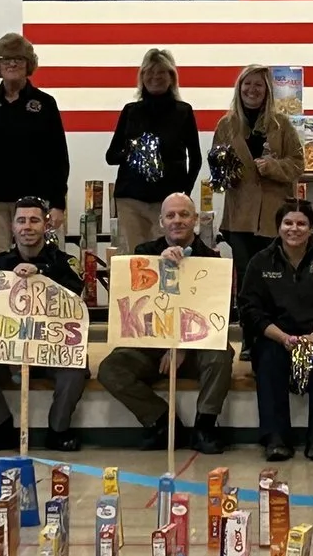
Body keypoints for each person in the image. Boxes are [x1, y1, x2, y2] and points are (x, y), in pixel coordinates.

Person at [95, 191, 231, 454]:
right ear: (161, 222)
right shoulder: (143, 254)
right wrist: (159, 264)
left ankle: (205, 425)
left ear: (195, 220)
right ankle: (163, 423)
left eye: (183, 214)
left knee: (222, 353)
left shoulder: (212, 260)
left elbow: (213, 316)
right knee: (111, 368)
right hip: (150, 345)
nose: (177, 220)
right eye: (170, 215)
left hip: (195, 348)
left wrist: (180, 346)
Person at [0, 197, 91, 452]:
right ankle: (0, 428)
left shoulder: (65, 263)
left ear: (46, 225)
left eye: (34, 220)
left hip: (52, 351)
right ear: (12, 226)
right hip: (7, 352)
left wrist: (41, 276)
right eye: (21, 220)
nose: (27, 226)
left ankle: (58, 430)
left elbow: (78, 302)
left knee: (77, 368)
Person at [239, 202, 313, 464]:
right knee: (267, 359)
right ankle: (276, 439)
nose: (294, 229)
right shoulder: (260, 262)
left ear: (311, 228)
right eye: (288, 223)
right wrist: (282, 338)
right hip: (277, 338)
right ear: (278, 227)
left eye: (301, 223)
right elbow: (249, 310)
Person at [0, 33, 70, 261]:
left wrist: (58, 203)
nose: (12, 63)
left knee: (41, 264)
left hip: (36, 203)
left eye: (18, 58)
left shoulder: (45, 104)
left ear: (29, 63)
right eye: (5, 58)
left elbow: (59, 157)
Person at [210, 65, 305, 277]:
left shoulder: (282, 125)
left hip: (274, 217)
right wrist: (226, 171)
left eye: (258, 84)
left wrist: (274, 167)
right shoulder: (226, 125)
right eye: (248, 83)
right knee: (246, 279)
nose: (252, 89)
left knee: (275, 277)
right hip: (239, 219)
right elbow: (217, 172)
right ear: (239, 87)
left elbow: (298, 163)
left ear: (267, 90)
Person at [102, 48, 199, 251]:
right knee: (134, 257)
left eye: (161, 72)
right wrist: (134, 153)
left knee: (167, 255)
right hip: (131, 199)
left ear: (171, 77)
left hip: (167, 202)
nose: (155, 77)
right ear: (142, 76)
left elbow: (195, 158)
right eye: (149, 73)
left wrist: (184, 194)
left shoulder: (183, 112)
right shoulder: (130, 111)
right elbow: (111, 155)